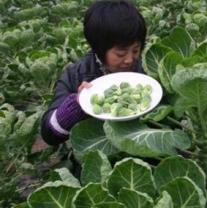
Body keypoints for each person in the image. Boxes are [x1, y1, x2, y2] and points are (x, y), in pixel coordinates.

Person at [41, 0, 147, 145]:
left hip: (143, 141)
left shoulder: (147, 68)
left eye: (135, 50)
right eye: (120, 54)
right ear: (99, 48)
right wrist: (76, 105)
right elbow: (49, 134)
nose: (129, 59)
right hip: (97, 148)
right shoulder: (76, 75)